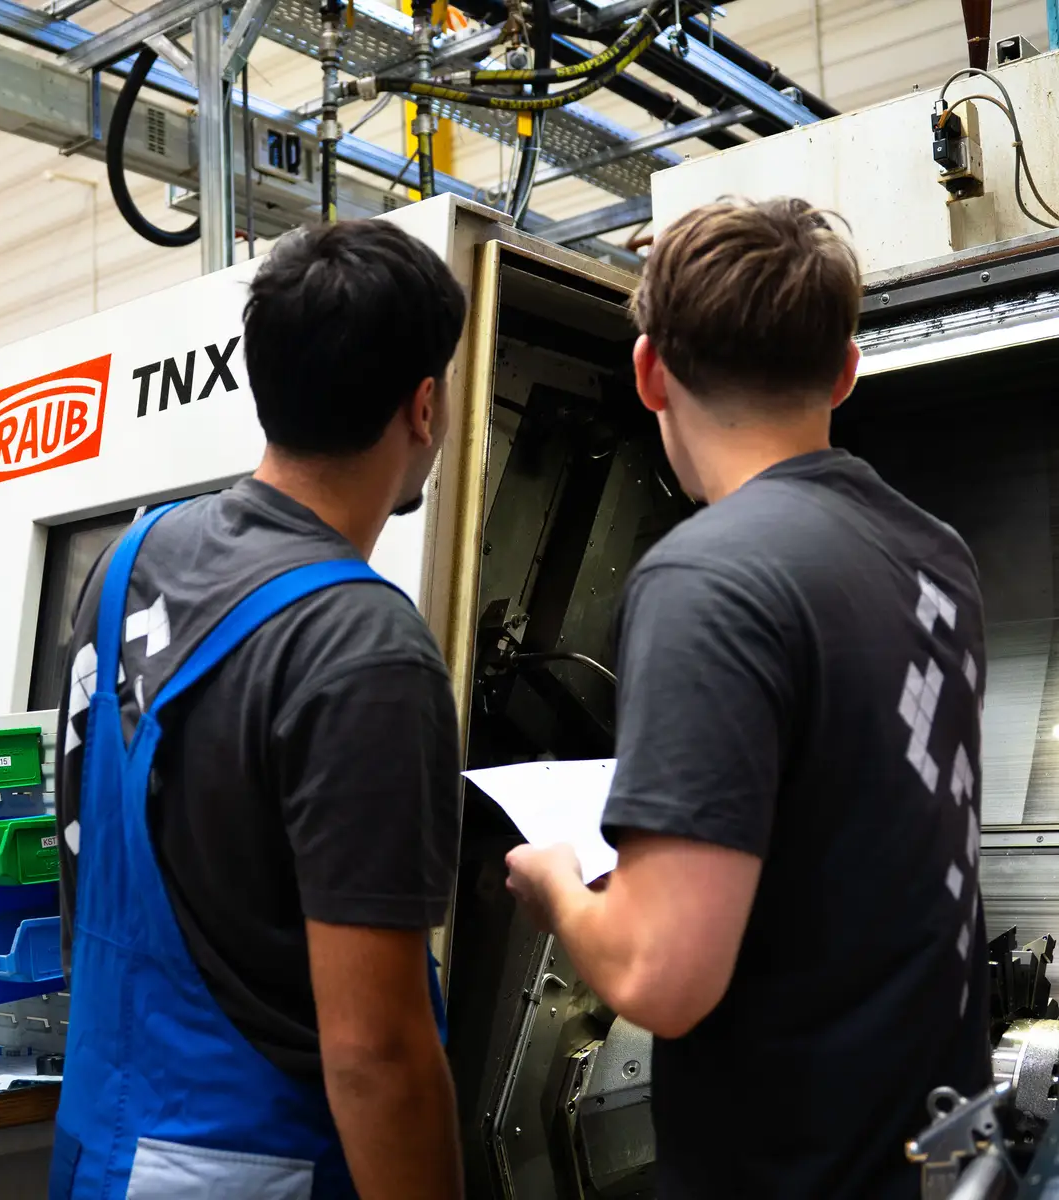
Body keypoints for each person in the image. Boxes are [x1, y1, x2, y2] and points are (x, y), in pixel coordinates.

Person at [504, 198, 989, 1199]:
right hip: (934, 1159)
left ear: (649, 373)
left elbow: (661, 981)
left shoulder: (708, 578)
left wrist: (555, 881)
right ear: (845, 368)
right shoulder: (939, 559)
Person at [50, 220, 466, 1200]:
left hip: (100, 1148)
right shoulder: (362, 645)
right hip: (251, 1169)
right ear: (424, 406)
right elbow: (376, 1056)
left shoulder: (126, 565)